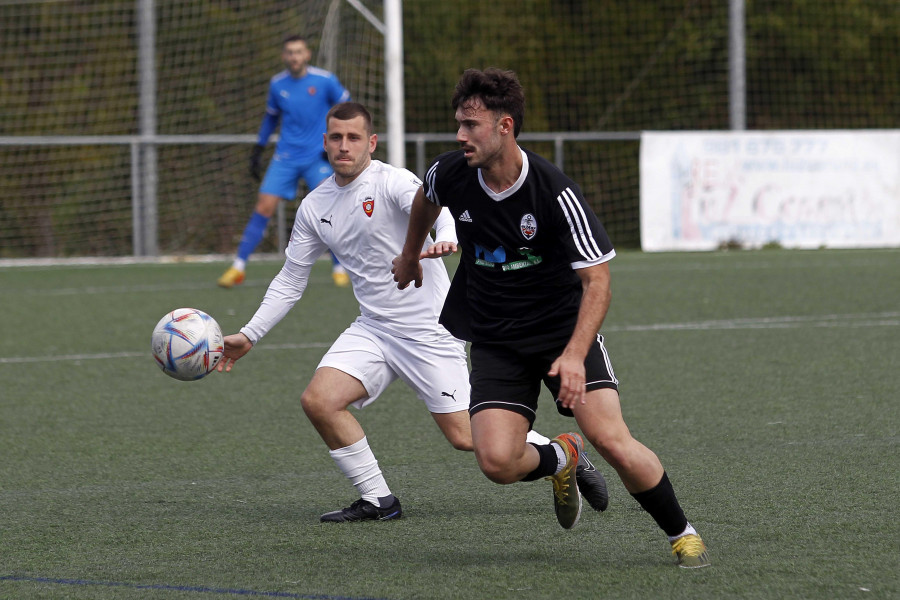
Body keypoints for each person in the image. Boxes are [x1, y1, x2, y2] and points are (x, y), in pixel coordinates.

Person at [216, 102, 609, 522]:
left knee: (464, 436)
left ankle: (561, 454)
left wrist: (446, 237)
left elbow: (443, 208)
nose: (343, 146)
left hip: (430, 330)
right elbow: (291, 279)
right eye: (335, 137)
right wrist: (250, 334)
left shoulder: (392, 182)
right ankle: (378, 500)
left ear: (371, 143)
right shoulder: (315, 206)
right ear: (325, 143)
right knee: (319, 401)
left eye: (353, 138)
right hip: (373, 327)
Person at [392, 69, 710, 567]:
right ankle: (563, 456)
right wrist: (410, 254)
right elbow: (425, 200)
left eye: (471, 125)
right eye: (458, 124)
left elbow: (598, 281)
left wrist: (576, 356)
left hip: (564, 335)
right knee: (496, 462)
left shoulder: (556, 194)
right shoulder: (448, 172)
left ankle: (682, 532)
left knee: (613, 441)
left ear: (505, 126)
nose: (460, 135)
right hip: (496, 337)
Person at [218, 35, 352, 289]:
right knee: (263, 206)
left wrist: (334, 143)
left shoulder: (324, 81)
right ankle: (238, 267)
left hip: (317, 157)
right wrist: (259, 147)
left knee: (329, 210)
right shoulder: (277, 84)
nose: (294, 56)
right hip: (286, 156)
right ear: (284, 56)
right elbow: (270, 119)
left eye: (299, 52)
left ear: (307, 54)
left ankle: (339, 267)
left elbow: (348, 109)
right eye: (290, 52)